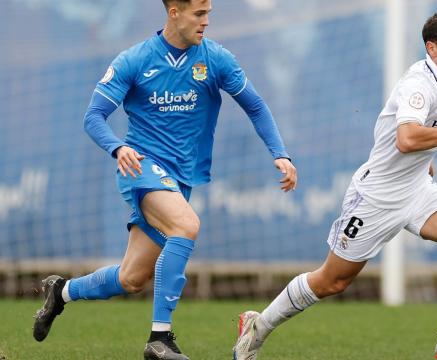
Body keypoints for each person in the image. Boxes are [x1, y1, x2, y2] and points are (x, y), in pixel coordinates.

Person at [31, 0, 297, 359]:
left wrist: (279, 153)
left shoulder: (215, 59)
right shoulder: (135, 59)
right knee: (187, 225)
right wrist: (116, 148)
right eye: (199, 14)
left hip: (179, 179)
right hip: (140, 167)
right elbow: (93, 116)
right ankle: (160, 339)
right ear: (174, 13)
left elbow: (256, 105)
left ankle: (60, 292)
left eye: (208, 14)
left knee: (132, 278)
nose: (206, 22)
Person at [233, 9, 437, 360]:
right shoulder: (418, 83)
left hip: (417, 189)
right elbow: (405, 138)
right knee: (332, 281)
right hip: (377, 196)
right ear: (431, 49)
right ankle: (259, 325)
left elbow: (415, 132)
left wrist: (428, 158)